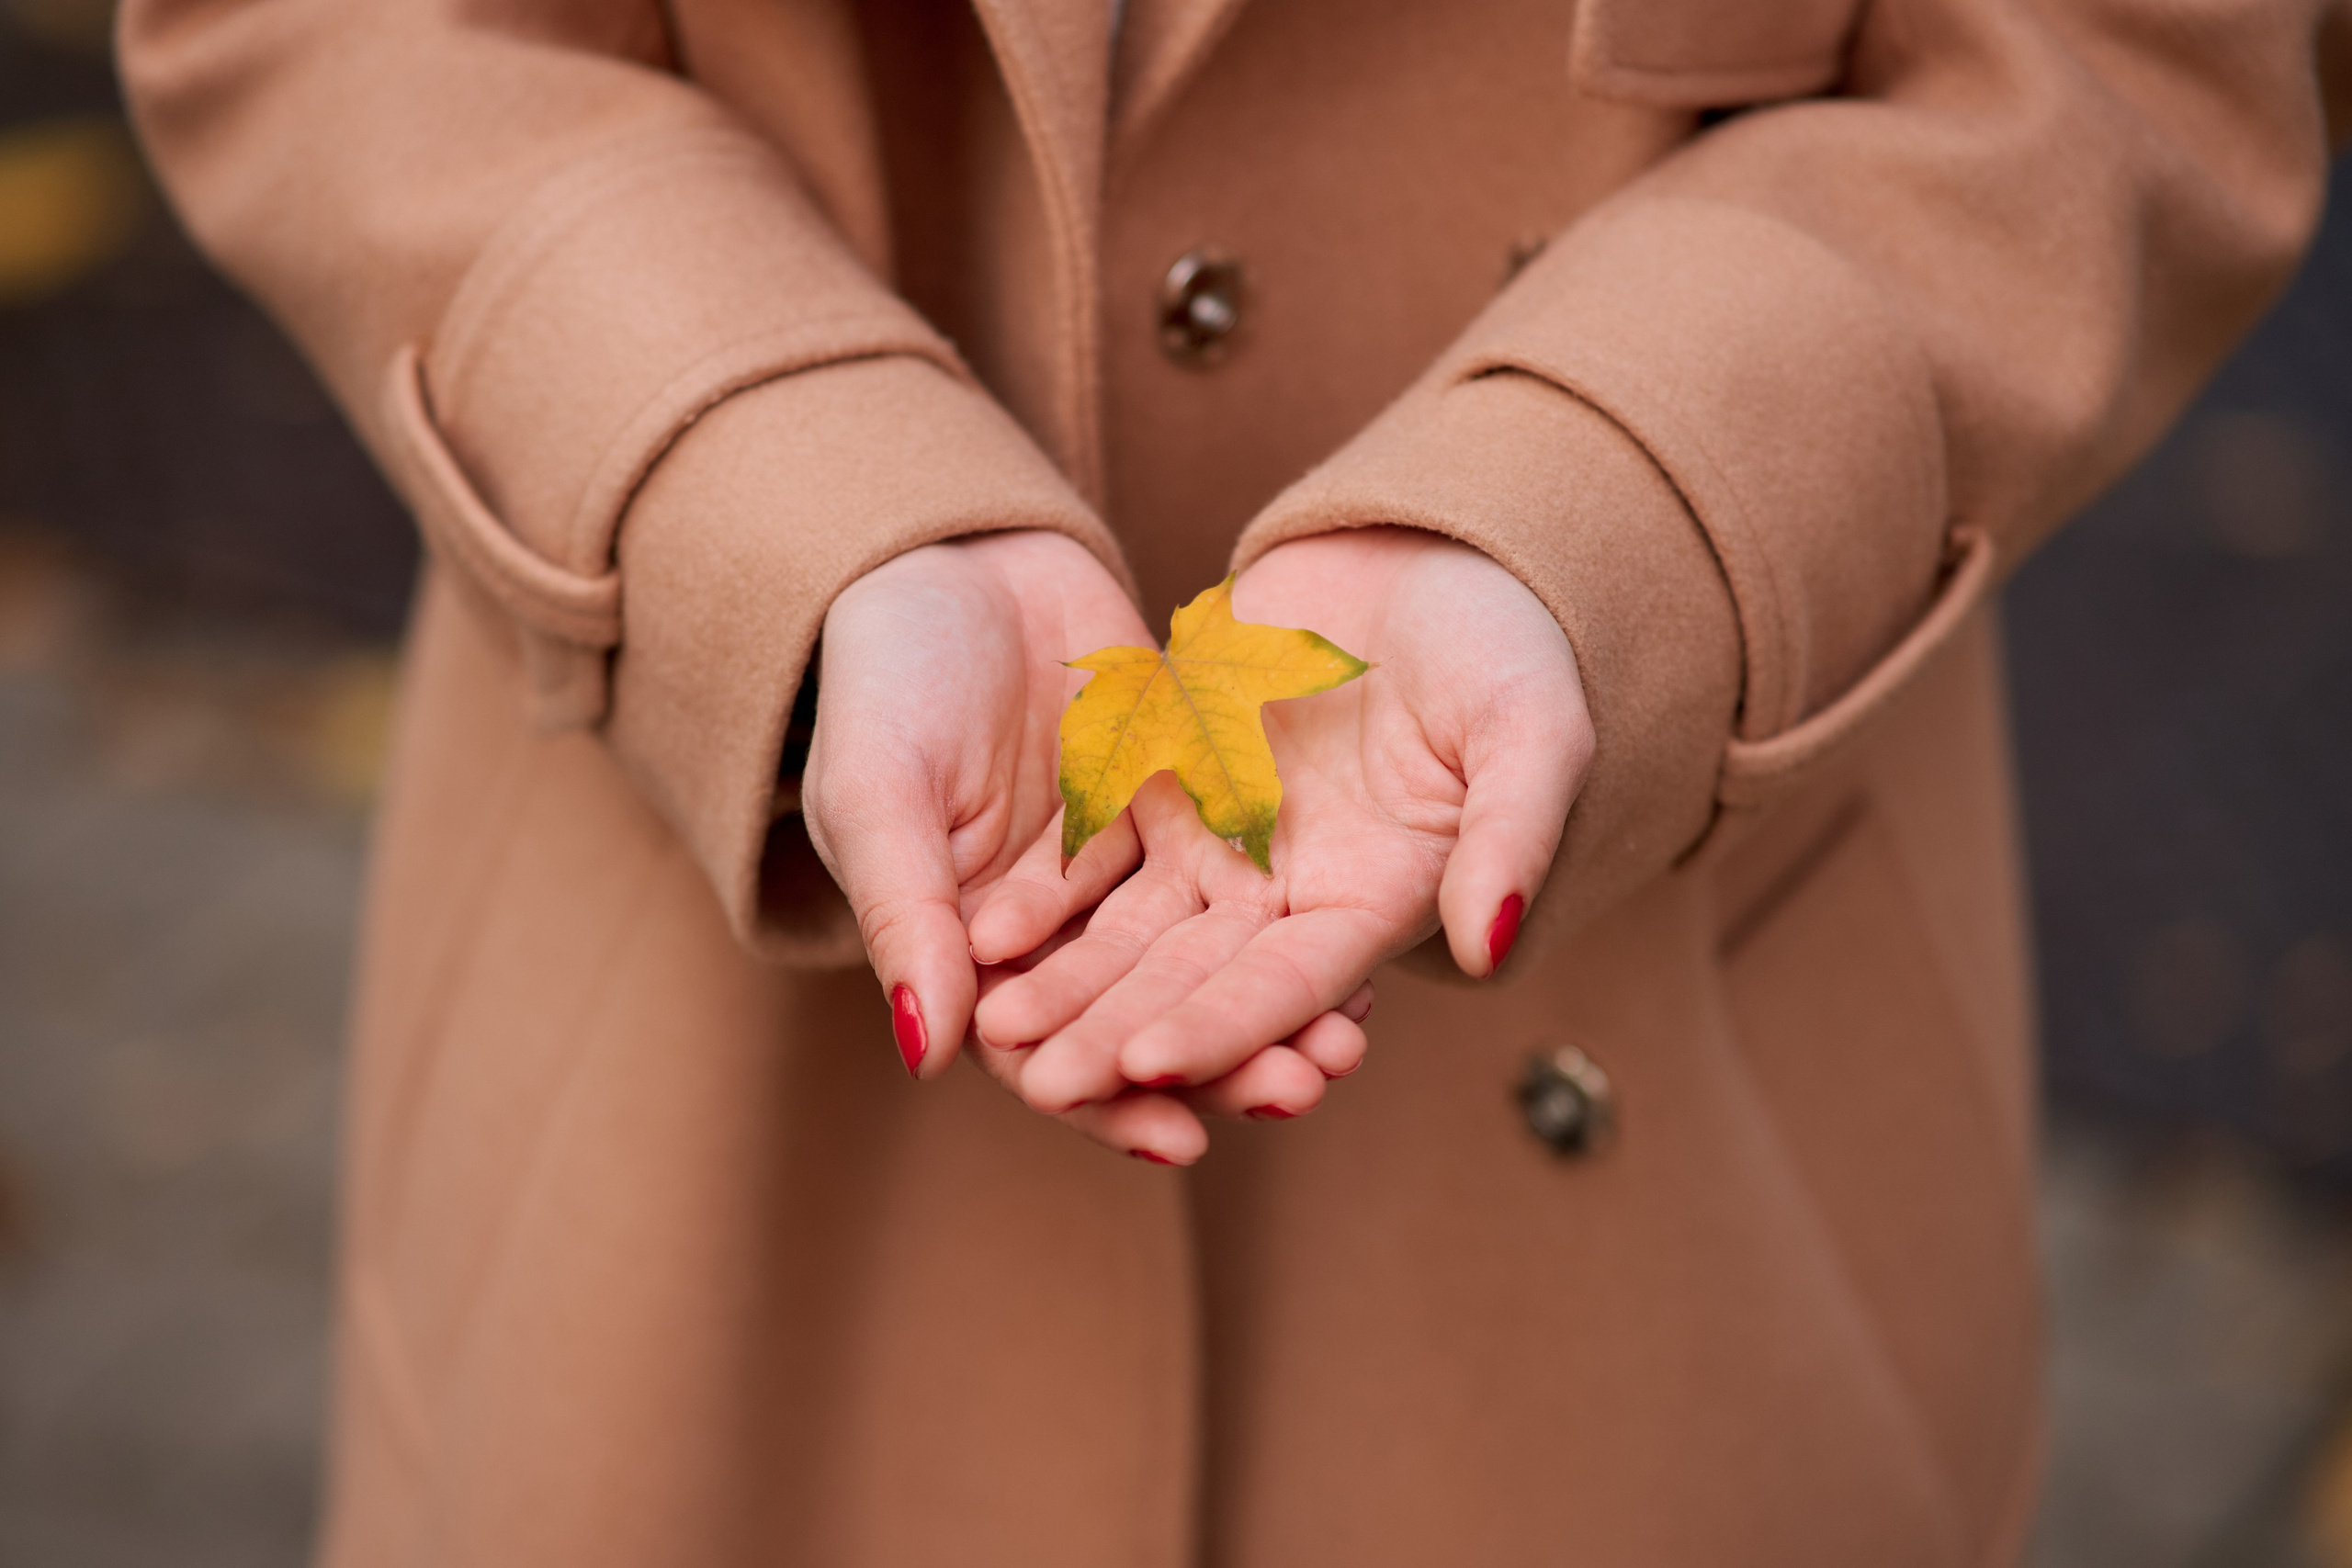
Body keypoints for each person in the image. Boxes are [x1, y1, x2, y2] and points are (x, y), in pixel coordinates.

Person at [119, 0, 2348, 1562]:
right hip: (706, 1137)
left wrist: (1640, 504)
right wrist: (747, 466)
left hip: (1656, 1177)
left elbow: (2131, 52)